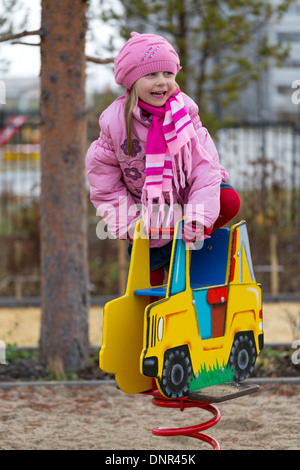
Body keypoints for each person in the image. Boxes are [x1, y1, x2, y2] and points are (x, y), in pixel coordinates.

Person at [86, 32, 240, 287]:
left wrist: (197, 217)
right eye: (151, 75)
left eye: (168, 74)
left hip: (187, 201)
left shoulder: (185, 115)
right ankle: (165, 257)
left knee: (228, 199)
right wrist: (132, 226)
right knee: (148, 285)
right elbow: (105, 184)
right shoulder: (114, 123)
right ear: (132, 80)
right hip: (148, 215)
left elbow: (205, 168)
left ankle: (189, 246)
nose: (162, 82)